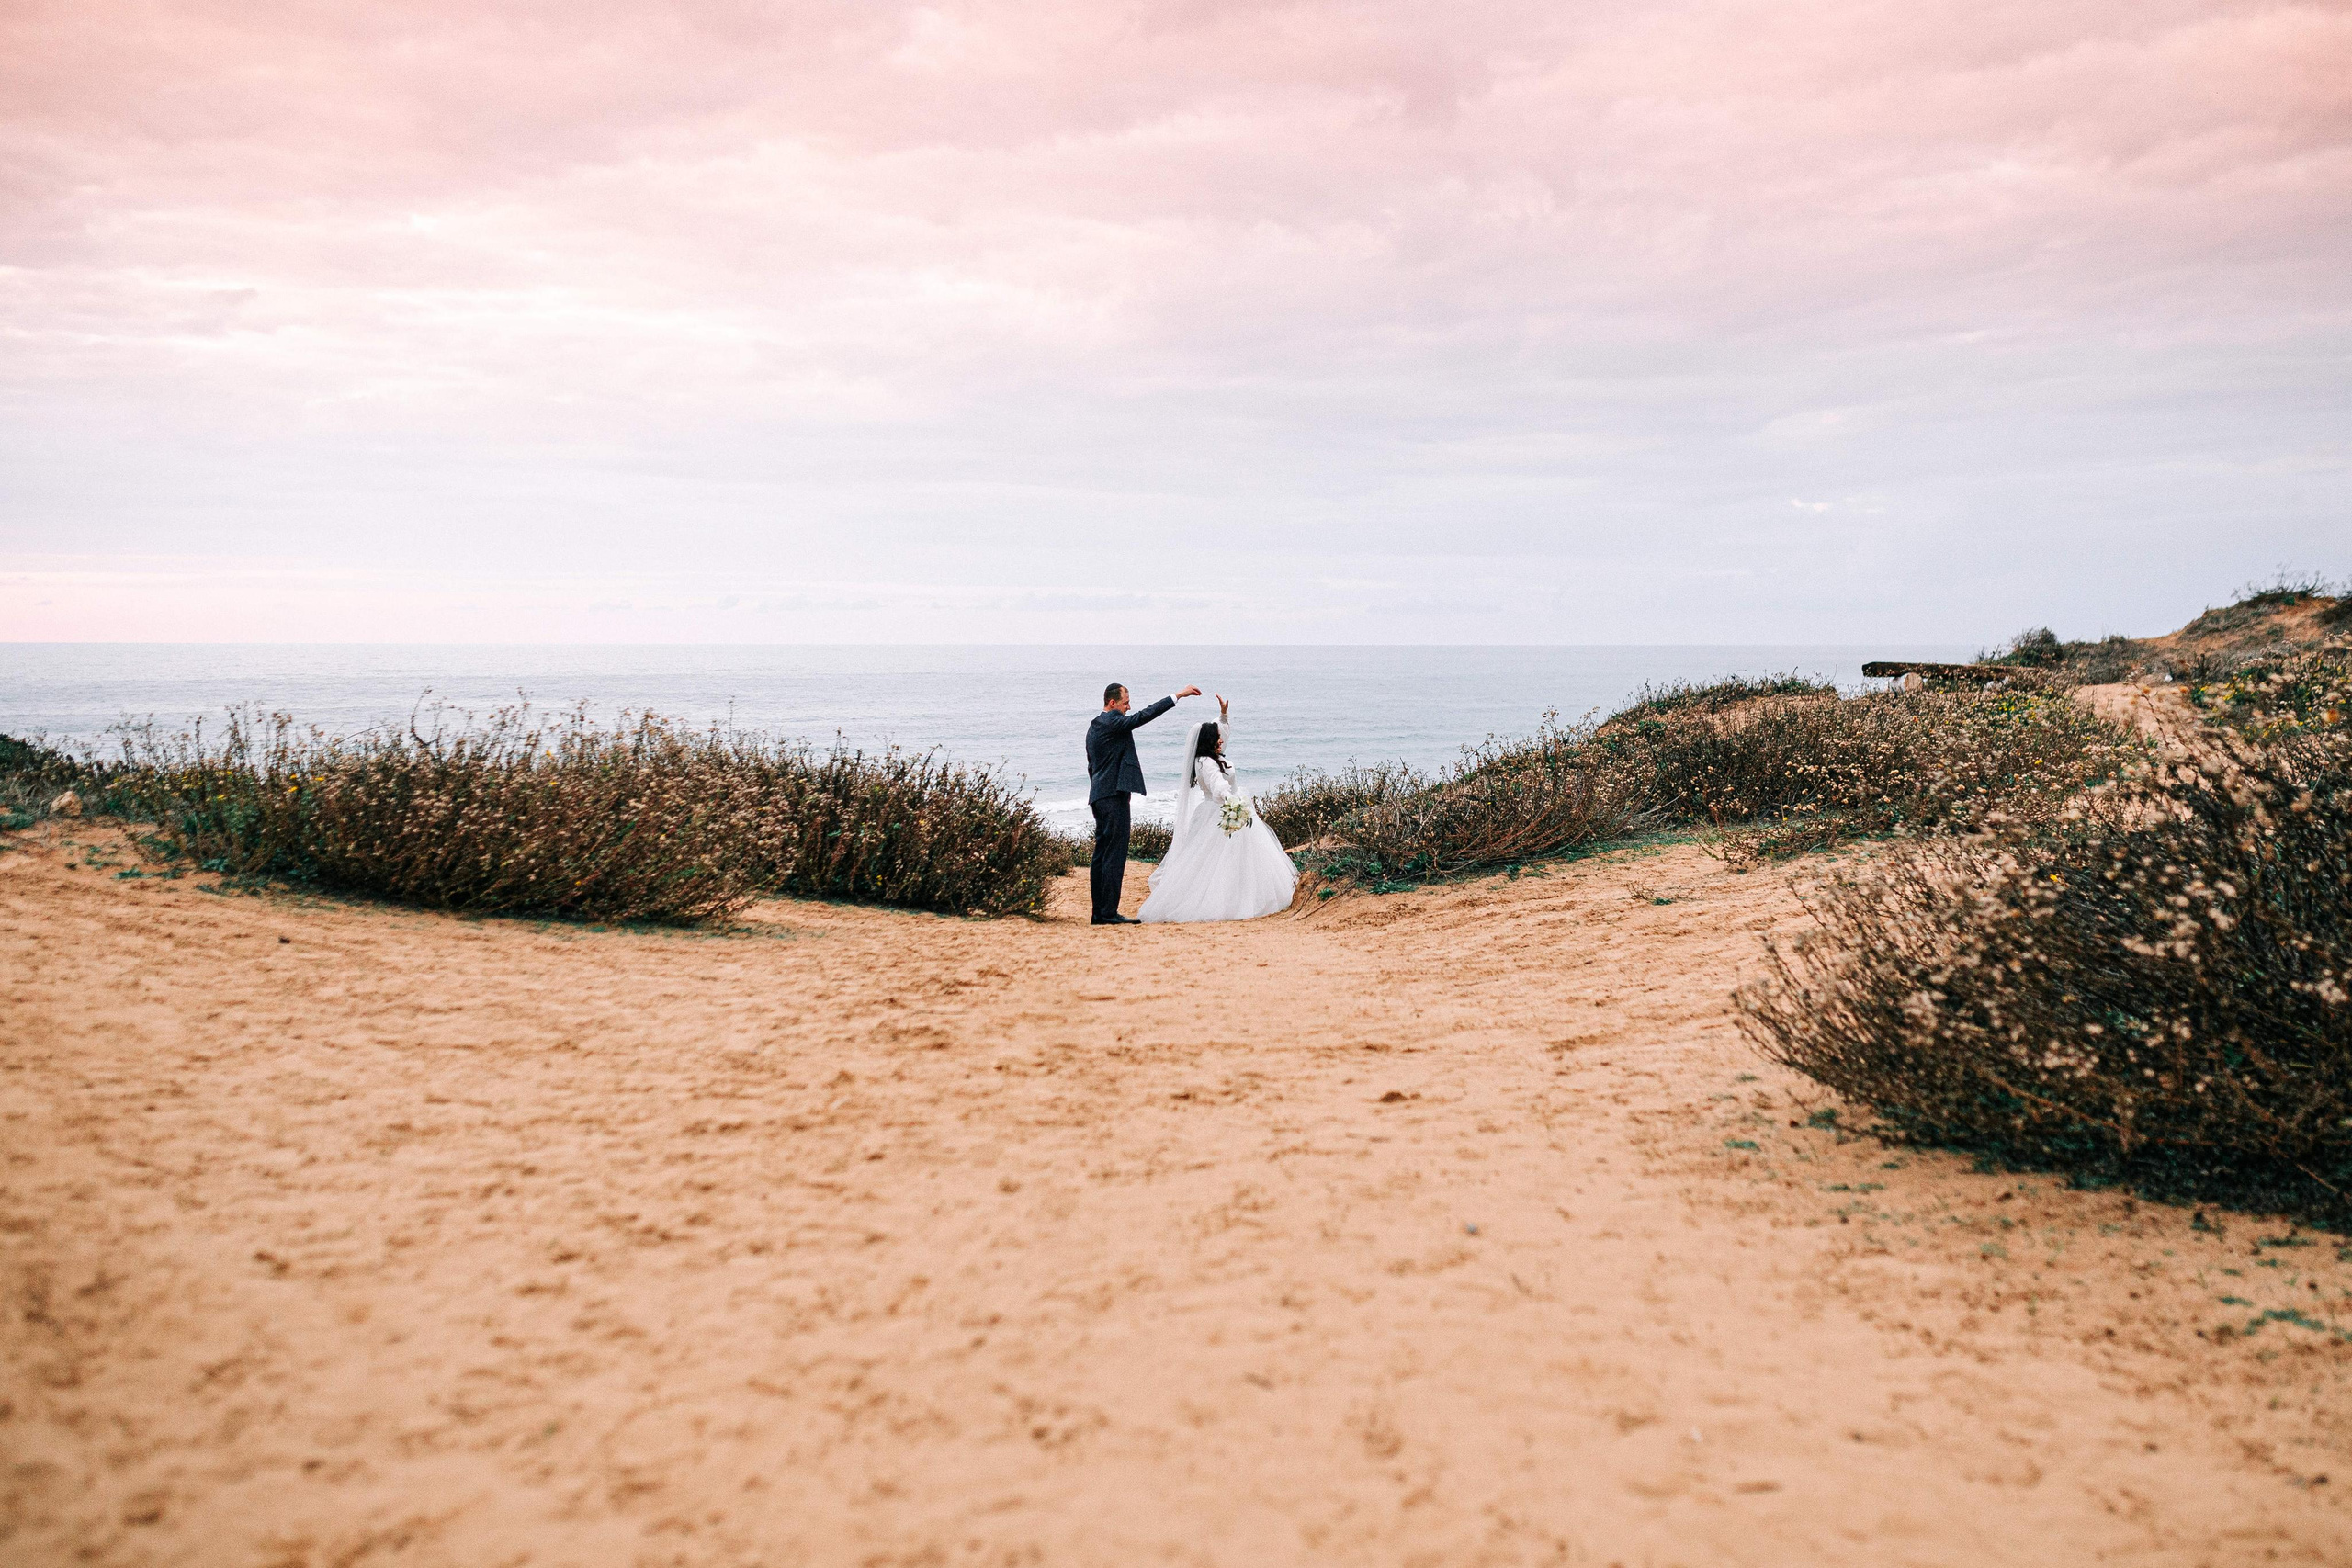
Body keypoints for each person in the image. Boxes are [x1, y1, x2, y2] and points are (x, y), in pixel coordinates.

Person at [1138, 694, 1298, 924]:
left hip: (1217, 811)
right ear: (1208, 741)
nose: (1221, 741)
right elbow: (1218, 787)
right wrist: (1233, 804)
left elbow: (1223, 734)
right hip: (1222, 812)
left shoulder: (1208, 757)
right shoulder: (1208, 763)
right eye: (1217, 738)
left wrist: (1223, 714)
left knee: (1221, 861)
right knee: (1221, 861)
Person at [1086, 681, 1200, 925]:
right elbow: (1143, 717)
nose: (1129, 707)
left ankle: (1100, 912)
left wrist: (1099, 789)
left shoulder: (1094, 726)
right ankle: (1107, 914)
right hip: (1112, 796)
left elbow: (1092, 765)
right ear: (1112, 703)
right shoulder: (1112, 722)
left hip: (1100, 795)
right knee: (1114, 855)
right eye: (1125, 703)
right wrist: (1176, 695)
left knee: (1102, 855)